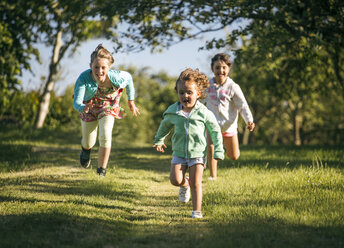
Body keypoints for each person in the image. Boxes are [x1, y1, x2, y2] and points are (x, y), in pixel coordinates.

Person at [153, 68, 224, 218]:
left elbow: (215, 131)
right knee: (175, 180)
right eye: (181, 92)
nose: (185, 95)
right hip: (179, 153)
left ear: (198, 94)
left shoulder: (204, 113)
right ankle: (184, 185)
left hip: (197, 154)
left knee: (196, 183)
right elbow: (164, 126)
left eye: (189, 92)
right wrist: (159, 139)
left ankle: (197, 211)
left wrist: (218, 150)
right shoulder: (173, 111)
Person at [73, 44, 140, 177]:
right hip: (89, 107)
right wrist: (83, 107)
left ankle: (101, 171)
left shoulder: (117, 77)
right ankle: (85, 150)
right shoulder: (83, 78)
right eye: (96, 67)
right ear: (90, 66)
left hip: (108, 107)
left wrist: (131, 101)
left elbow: (129, 79)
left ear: (109, 67)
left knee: (105, 134)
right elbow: (76, 102)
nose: (99, 71)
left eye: (103, 67)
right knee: (88, 141)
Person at [204, 53, 255, 180]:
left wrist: (249, 120)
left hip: (229, 125)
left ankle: (224, 147)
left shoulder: (233, 87)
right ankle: (213, 176)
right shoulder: (208, 86)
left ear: (228, 69)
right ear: (212, 69)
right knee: (211, 147)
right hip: (212, 124)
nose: (220, 71)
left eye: (223, 68)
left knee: (233, 156)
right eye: (217, 68)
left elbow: (242, 105)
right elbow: (199, 101)